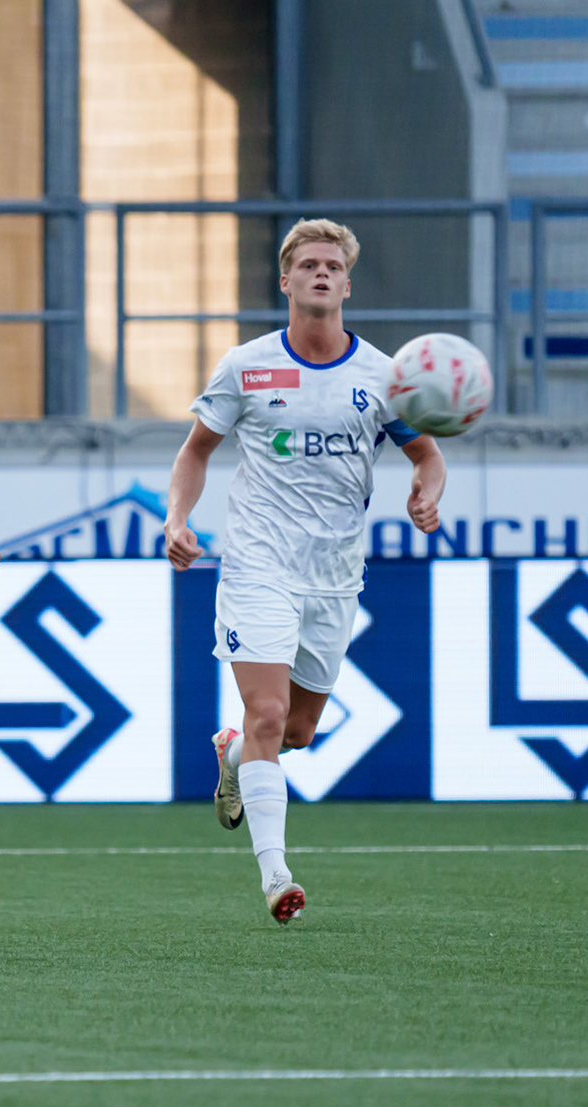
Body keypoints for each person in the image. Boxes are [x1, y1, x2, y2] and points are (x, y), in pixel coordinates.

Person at [163, 219, 445, 923]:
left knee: (295, 731)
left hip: (334, 574)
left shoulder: (382, 375)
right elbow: (196, 450)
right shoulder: (247, 366)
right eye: (309, 264)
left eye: (333, 266)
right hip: (258, 562)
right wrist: (177, 519)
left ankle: (234, 755)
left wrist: (426, 492)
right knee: (267, 712)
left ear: (347, 285)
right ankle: (276, 876)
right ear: (285, 280)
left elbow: (427, 456)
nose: (322, 273)